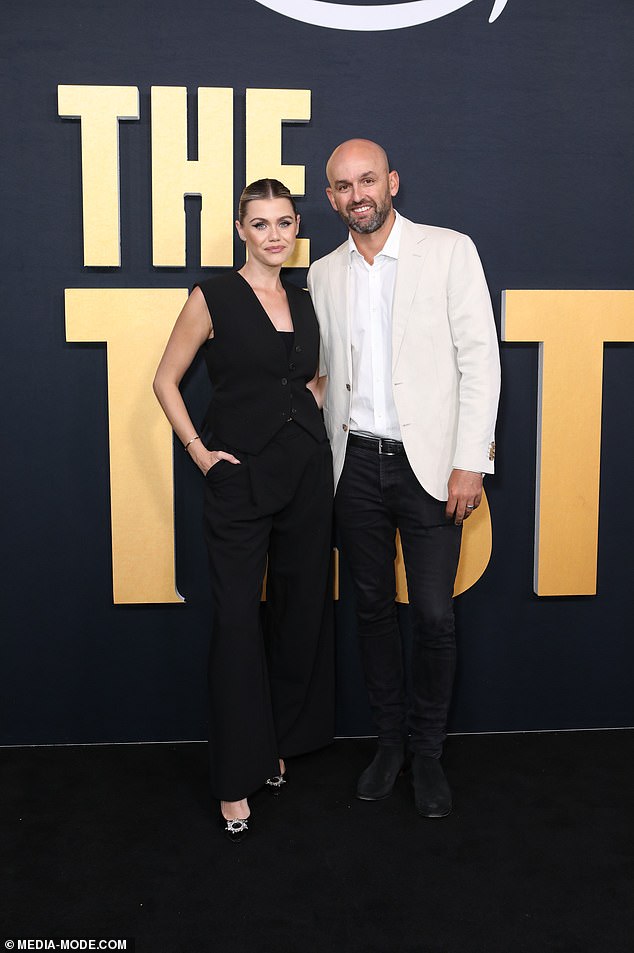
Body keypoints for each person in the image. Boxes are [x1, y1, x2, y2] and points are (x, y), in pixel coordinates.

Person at [307, 139, 500, 818]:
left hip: (432, 466)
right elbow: (325, 372)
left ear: (392, 182)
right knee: (368, 610)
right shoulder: (324, 273)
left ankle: (427, 751)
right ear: (330, 199)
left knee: (435, 616)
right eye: (343, 185)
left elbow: (480, 357)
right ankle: (388, 743)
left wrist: (470, 459)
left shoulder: (448, 250)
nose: (358, 193)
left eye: (368, 179)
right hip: (353, 464)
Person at [153, 179, 334, 842]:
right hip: (237, 477)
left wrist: (308, 413)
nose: (274, 235)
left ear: (295, 228)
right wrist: (201, 453)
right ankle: (234, 776)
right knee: (235, 620)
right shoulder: (214, 295)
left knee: (299, 609)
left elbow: (309, 379)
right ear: (241, 229)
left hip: (306, 473)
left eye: (284, 222)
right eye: (260, 224)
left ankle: (277, 744)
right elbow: (164, 379)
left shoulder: (309, 297)